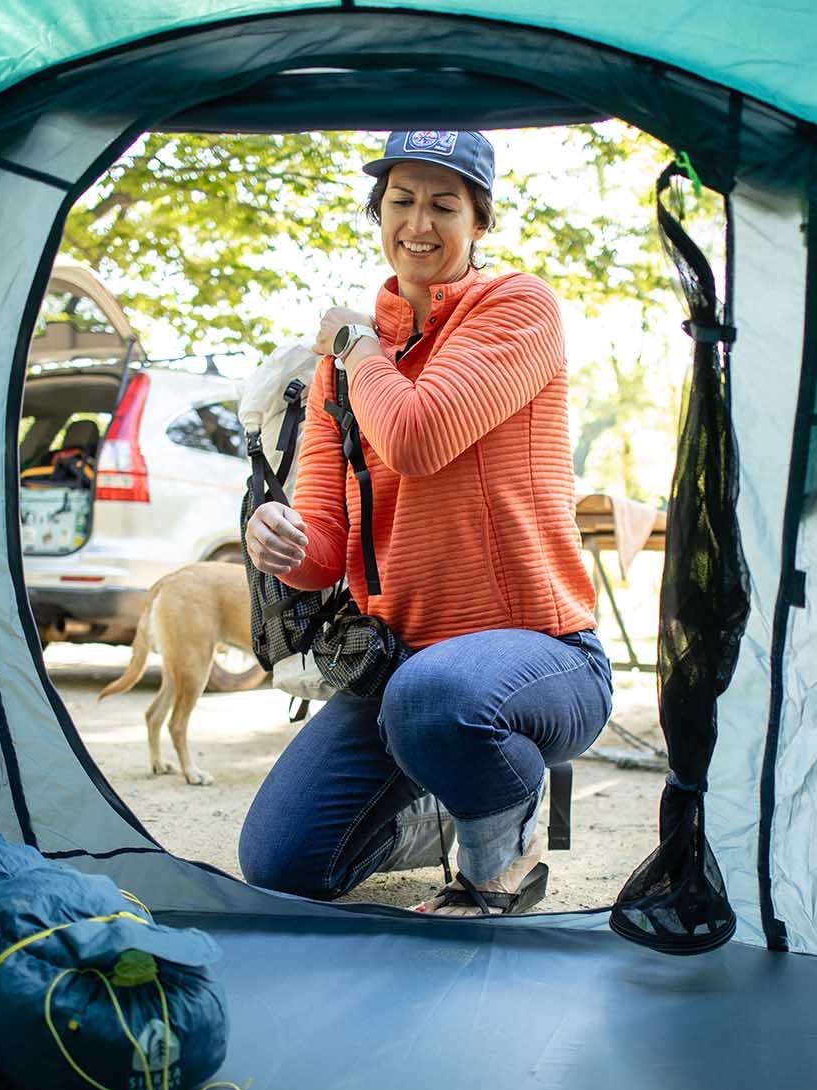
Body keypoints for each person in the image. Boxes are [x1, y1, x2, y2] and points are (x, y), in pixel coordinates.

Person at [239, 129, 612, 916]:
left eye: (446, 204)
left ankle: (498, 866)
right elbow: (324, 545)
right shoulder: (347, 364)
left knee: (434, 697)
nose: (420, 222)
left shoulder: (517, 307)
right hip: (399, 667)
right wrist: (277, 540)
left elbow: (417, 436)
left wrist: (356, 346)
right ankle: (440, 802)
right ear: (378, 214)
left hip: (543, 663)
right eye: (401, 200)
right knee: (280, 862)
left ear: (481, 222)